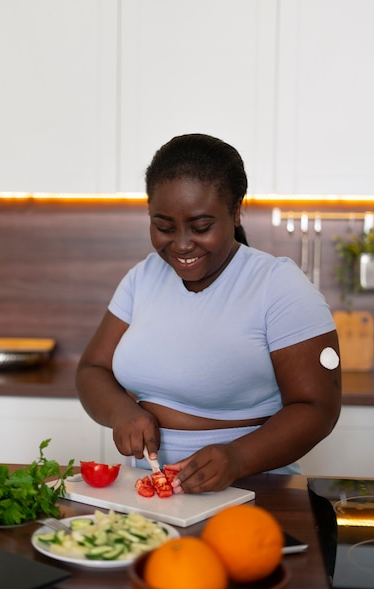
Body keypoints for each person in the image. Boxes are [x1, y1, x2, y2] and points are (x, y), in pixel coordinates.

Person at [76, 133, 341, 493]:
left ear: (235, 211)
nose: (182, 245)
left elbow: (317, 407)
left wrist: (237, 458)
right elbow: (92, 369)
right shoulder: (143, 277)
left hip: (253, 492)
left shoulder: (277, 285)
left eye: (201, 227)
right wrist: (121, 411)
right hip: (148, 490)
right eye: (163, 226)